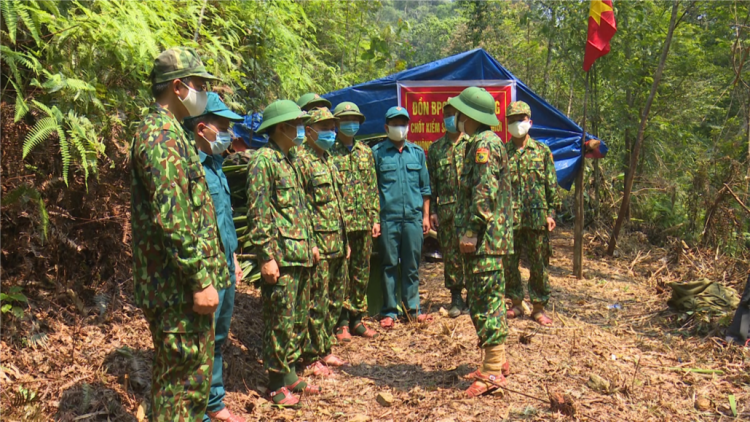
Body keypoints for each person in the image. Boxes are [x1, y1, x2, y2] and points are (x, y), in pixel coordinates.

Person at [130, 47, 227, 420]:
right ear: (177, 86)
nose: (204, 92)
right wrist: (200, 279)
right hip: (176, 289)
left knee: (190, 386)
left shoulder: (173, 132)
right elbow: (172, 219)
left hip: (181, 286)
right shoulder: (160, 136)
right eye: (200, 85)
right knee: (180, 387)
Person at [246, 99, 321, 406]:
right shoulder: (263, 161)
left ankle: (289, 371)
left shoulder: (290, 160)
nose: (301, 130)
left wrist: (312, 242)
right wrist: (265, 256)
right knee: (280, 321)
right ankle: (276, 384)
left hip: (300, 253)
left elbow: (301, 208)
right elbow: (259, 212)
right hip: (281, 257)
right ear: (281, 128)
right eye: (296, 125)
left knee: (296, 320)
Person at [182, 93, 246, 422]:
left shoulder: (216, 166)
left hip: (224, 263)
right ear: (202, 128)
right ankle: (199, 409)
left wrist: (232, 256)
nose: (230, 136)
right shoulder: (188, 169)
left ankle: (214, 400)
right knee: (200, 340)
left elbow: (224, 218)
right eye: (224, 128)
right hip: (204, 269)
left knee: (218, 337)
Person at [448, 87, 513, 397]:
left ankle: (492, 372)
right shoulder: (483, 142)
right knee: (489, 299)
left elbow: (484, 193)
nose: (457, 118)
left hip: (484, 240)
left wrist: (472, 230)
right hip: (489, 239)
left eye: (460, 113)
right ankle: (496, 360)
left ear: (469, 116)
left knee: (486, 302)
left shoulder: (484, 145)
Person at [297, 107, 351, 374]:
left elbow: (337, 204)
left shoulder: (328, 159)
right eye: (325, 127)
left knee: (333, 300)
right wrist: (311, 243)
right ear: (309, 131)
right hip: (319, 245)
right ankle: (310, 355)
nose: (331, 132)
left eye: (332, 127)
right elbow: (302, 207)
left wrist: (346, 241)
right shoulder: (302, 162)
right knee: (315, 303)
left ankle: (324, 348)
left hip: (337, 243)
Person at [371, 106, 432, 329]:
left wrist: (425, 216)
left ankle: (413, 309)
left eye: (403, 124)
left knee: (411, 265)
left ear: (408, 126)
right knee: (388, 264)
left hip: (413, 219)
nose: (400, 128)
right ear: (386, 127)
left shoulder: (416, 153)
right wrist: (375, 219)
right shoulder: (377, 153)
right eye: (395, 124)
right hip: (389, 218)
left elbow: (425, 188)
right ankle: (389, 311)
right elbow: (373, 189)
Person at [502, 101, 560, 326]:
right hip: (509, 218)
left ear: (530, 122)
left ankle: (538, 307)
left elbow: (551, 186)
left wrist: (551, 213)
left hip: (537, 218)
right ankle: (516, 302)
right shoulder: (502, 152)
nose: (517, 124)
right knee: (510, 262)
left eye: (521, 119)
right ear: (507, 124)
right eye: (513, 120)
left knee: (538, 263)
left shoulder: (542, 151)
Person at [330, 102, 380, 340]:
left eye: (354, 119)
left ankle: (357, 319)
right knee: (341, 274)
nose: (350, 124)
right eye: (345, 119)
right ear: (336, 123)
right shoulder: (330, 152)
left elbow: (372, 187)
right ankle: (339, 321)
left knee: (362, 271)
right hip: (341, 225)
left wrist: (375, 218)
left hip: (363, 222)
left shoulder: (365, 152)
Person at [426, 101, 469, 318]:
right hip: (446, 211)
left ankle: (474, 296)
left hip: (469, 211)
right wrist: (432, 210)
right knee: (451, 254)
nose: (450, 118)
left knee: (471, 251)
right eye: (447, 115)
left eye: (455, 115)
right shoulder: (435, 149)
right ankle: (456, 297)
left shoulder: (472, 144)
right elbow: (431, 183)